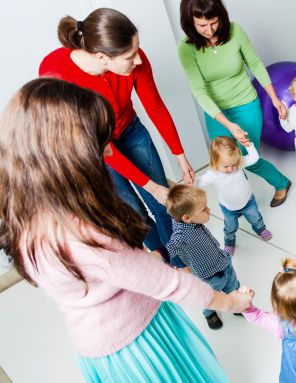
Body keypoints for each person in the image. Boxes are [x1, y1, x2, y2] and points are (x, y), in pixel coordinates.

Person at [0, 78, 253, 383]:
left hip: (104, 345)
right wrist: (231, 300)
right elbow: (170, 283)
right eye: (102, 145)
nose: (109, 153)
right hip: (135, 345)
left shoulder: (28, 212)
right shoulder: (86, 237)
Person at [39, 8, 197, 267]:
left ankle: (180, 264)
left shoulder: (136, 59)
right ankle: (162, 259)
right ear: (102, 57)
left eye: (137, 50)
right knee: (132, 211)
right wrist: (152, 186)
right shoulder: (56, 75)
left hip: (130, 130)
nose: (138, 60)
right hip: (96, 150)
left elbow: (155, 107)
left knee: (163, 204)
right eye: (129, 56)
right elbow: (103, 147)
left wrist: (180, 157)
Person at [178, 0, 291, 207]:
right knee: (225, 163)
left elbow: (255, 64)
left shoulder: (235, 31)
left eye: (214, 22)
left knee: (248, 159)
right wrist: (228, 124)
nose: (210, 30)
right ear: (189, 22)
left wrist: (275, 99)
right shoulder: (186, 48)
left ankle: (281, 182)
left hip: (246, 104)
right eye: (202, 25)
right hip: (216, 113)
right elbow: (199, 91)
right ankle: (245, 202)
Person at [165, 184, 243, 330]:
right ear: (187, 218)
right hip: (207, 276)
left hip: (223, 262)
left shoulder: (188, 217)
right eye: (204, 209)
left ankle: (237, 303)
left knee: (233, 286)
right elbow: (169, 248)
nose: (209, 210)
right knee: (208, 298)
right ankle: (209, 313)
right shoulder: (180, 235)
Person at [195, 136, 272, 255]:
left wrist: (249, 146)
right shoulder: (213, 174)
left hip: (248, 202)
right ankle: (229, 242)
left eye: (233, 165)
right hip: (228, 208)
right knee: (230, 228)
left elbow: (254, 158)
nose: (231, 169)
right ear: (215, 163)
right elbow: (200, 182)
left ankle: (260, 229)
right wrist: (191, 181)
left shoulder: (239, 163)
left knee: (256, 218)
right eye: (226, 166)